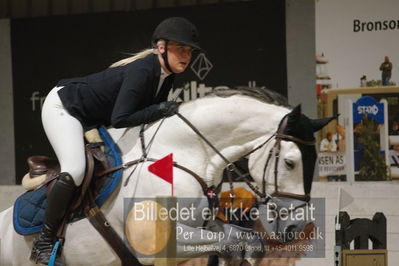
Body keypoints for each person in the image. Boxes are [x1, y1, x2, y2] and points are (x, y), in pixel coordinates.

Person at [30, 17, 202, 265]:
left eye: (189, 51)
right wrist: (163, 108)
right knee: (75, 170)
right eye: (180, 48)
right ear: (161, 48)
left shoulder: (166, 75)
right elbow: (121, 118)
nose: (186, 55)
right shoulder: (143, 70)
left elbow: (146, 117)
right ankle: (43, 241)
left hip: (92, 119)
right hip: (65, 108)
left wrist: (162, 110)